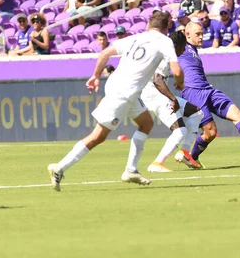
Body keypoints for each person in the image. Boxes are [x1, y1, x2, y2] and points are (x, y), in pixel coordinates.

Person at [47, 12, 184, 191]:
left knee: (146, 123)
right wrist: (180, 83)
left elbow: (105, 53)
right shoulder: (165, 41)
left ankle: (131, 170)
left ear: (148, 26)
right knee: (98, 136)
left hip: (119, 85)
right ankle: (60, 168)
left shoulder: (137, 37)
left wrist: (96, 76)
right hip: (124, 93)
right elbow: (177, 71)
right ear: (166, 28)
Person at [178, 22, 240, 168]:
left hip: (208, 90)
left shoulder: (193, 49)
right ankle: (192, 157)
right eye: (197, 34)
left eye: (202, 33)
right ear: (187, 35)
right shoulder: (179, 48)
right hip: (193, 92)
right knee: (210, 133)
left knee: (237, 114)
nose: (201, 37)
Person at [141, 31, 204, 172]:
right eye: (183, 47)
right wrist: (173, 98)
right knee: (179, 131)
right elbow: (157, 79)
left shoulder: (165, 54)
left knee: (196, 113)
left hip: (157, 94)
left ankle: (185, 153)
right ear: (176, 45)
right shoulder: (165, 55)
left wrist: (178, 83)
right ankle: (157, 163)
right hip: (155, 97)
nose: (183, 50)